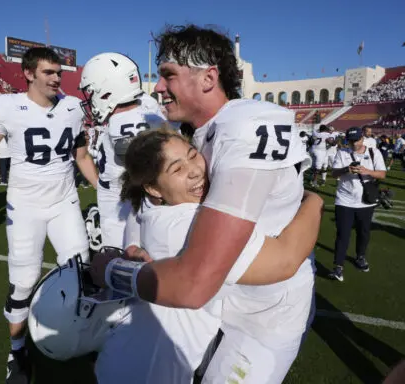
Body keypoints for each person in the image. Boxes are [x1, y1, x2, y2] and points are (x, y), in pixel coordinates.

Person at [91, 25, 318, 383]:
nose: (158, 88)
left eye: (168, 75)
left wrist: (112, 271)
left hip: (265, 310)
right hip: (225, 298)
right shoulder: (195, 133)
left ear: (209, 78)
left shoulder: (246, 124)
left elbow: (196, 282)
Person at [94, 128, 322, 383]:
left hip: (123, 359)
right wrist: (313, 200)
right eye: (177, 169)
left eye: (193, 155)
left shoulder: (150, 208)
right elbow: (286, 259)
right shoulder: (185, 224)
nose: (194, 169)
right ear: (153, 188)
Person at [0, 47, 98, 384]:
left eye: (59, 72)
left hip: (64, 202)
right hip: (26, 206)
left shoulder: (73, 107)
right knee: (23, 282)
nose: (57, 78)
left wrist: (106, 191)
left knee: (80, 272)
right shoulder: (8, 106)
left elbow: (83, 156)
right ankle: (17, 349)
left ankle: (80, 335)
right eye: (48, 72)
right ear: (29, 73)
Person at [79, 52, 168, 248]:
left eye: (92, 92)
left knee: (119, 262)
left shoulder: (121, 122)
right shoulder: (148, 108)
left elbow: (145, 168)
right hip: (128, 196)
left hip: (121, 204)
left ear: (106, 90)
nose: (90, 98)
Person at [328, 127, 386, 282]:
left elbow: (382, 174)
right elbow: (333, 174)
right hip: (344, 200)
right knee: (343, 234)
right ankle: (338, 266)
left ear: (363, 138)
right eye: (351, 141)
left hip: (365, 202)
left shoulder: (374, 152)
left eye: (357, 140)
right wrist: (347, 169)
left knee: (364, 233)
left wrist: (366, 171)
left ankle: (360, 257)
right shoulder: (342, 153)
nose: (354, 144)